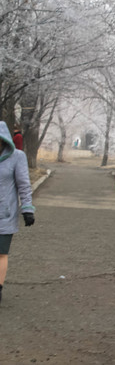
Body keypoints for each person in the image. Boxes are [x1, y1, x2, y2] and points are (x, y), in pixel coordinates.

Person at [0, 121, 35, 306]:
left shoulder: (17, 157)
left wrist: (27, 208)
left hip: (4, 214)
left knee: (1, 253)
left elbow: (24, 184)